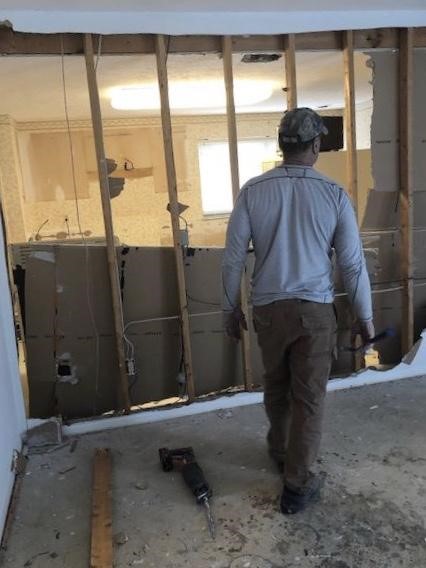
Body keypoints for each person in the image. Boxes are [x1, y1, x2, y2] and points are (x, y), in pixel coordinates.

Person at [222, 107, 375, 514]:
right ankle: (297, 484)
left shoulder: (253, 191)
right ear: (317, 145)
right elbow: (352, 265)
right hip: (314, 313)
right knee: (309, 398)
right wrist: (366, 317)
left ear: (281, 145)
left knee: (276, 385)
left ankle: (280, 452)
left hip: (269, 310)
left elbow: (234, 257)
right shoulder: (334, 194)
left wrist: (229, 307)